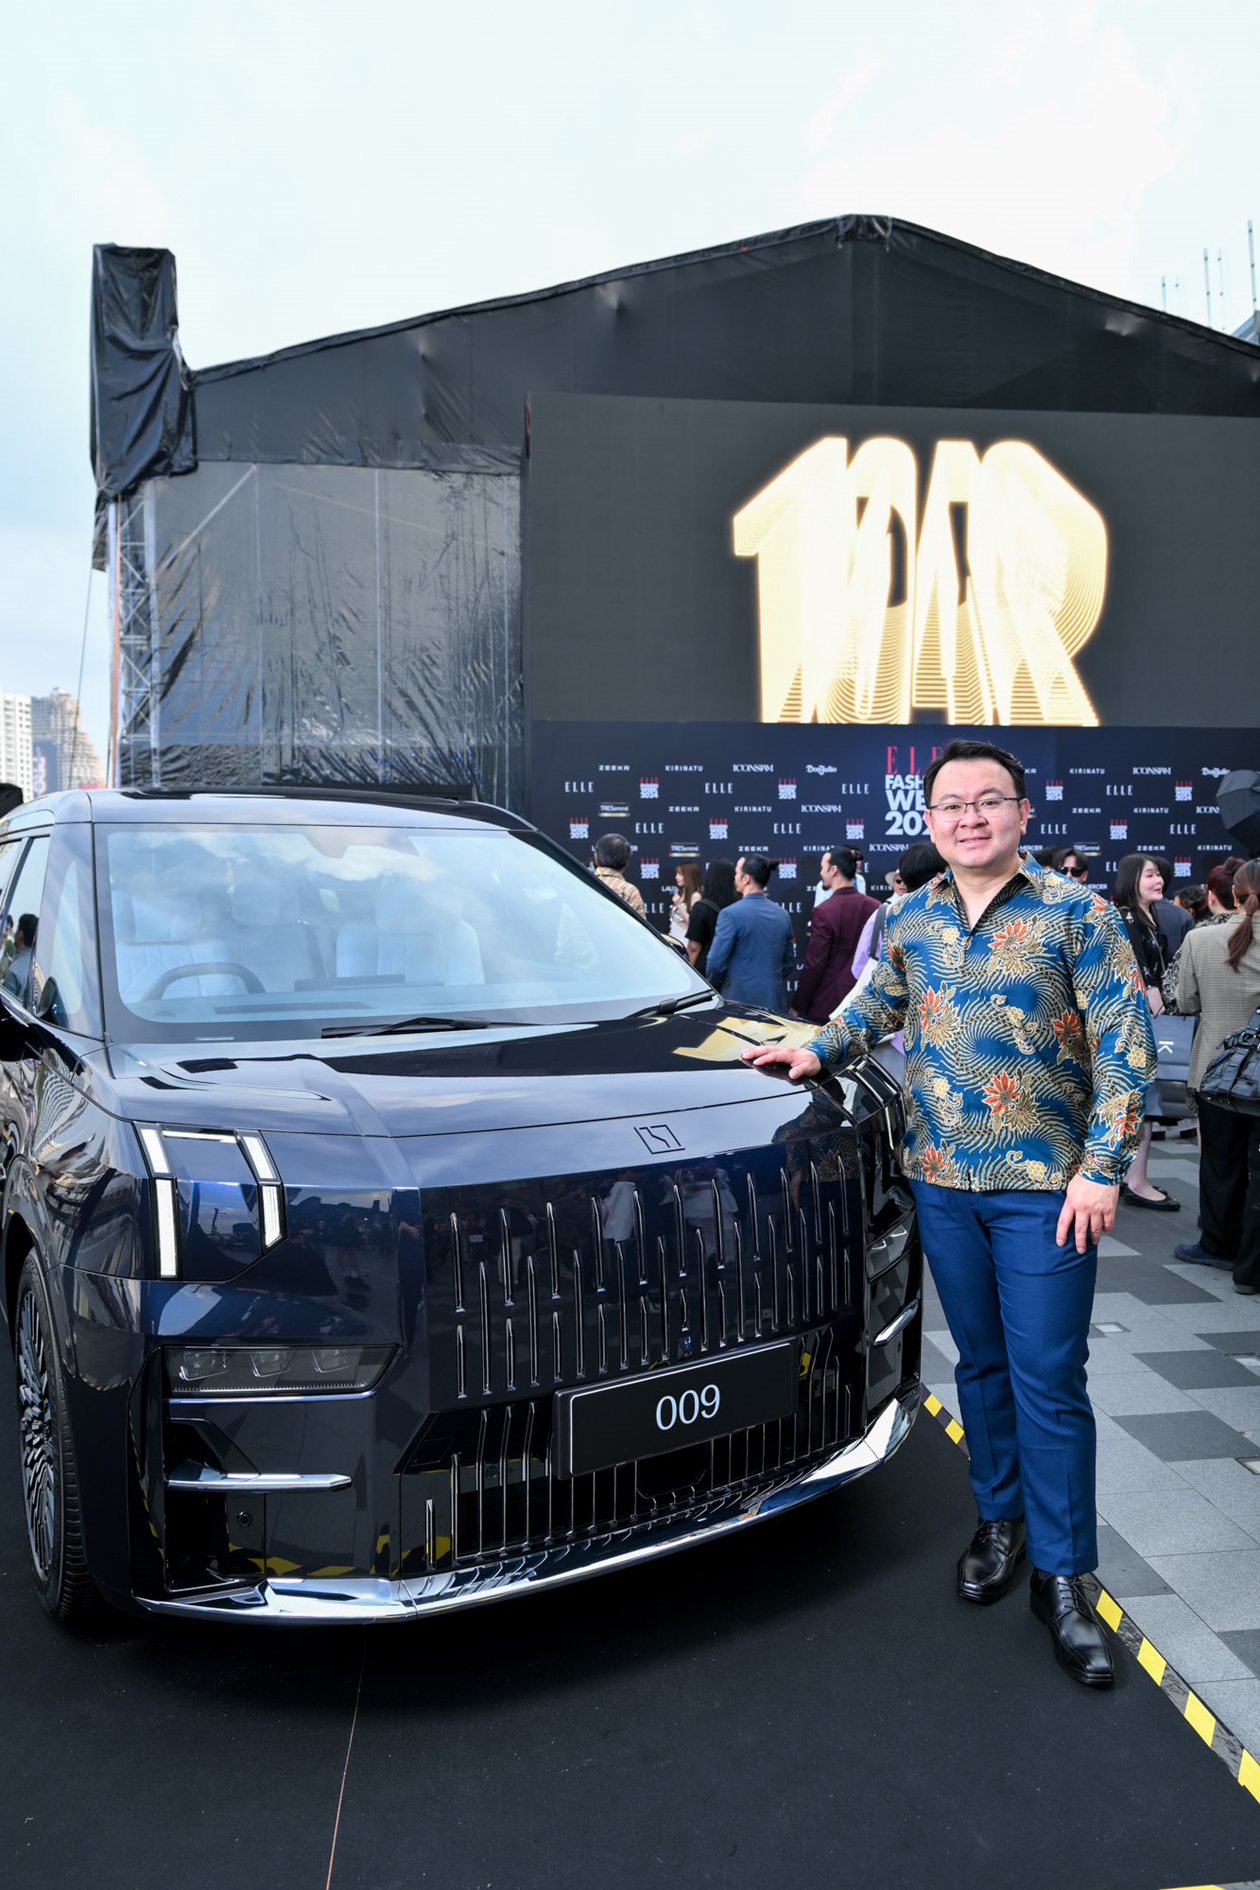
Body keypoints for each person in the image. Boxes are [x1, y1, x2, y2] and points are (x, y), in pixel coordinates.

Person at [741, 737, 1156, 1689]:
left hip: (1048, 1190)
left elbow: (1124, 1049)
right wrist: (817, 1050)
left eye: (988, 801)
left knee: (1050, 1378)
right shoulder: (912, 916)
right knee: (980, 1365)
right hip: (941, 1181)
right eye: (952, 805)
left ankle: (1064, 1575)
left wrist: (1102, 1170)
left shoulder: (1079, 913)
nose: (970, 818)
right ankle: (999, 1524)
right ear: (929, 820)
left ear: (1022, 812)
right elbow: (876, 1005)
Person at [1164, 859, 1260, 1294]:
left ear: (1234, 895)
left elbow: (1183, 1001)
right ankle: (1251, 1260)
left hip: (1217, 1070)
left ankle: (1219, 1244)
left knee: (1221, 1162)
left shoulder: (1201, 938)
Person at [1112, 854, 1177, 1210]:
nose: (1158, 880)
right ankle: (1134, 1181)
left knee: (1144, 1105)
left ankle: (1133, 1178)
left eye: (1159, 874)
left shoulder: (1148, 917)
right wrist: (1159, 1006)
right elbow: (1141, 973)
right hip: (1139, 1022)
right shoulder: (1126, 918)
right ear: (1131, 879)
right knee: (1143, 1103)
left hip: (1146, 1020)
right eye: (1149, 875)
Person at [790, 846, 878, 1024]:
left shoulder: (824, 911)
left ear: (833, 870)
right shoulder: (875, 906)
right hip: (866, 1003)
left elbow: (815, 964)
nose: (821, 873)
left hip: (827, 1004)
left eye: (823, 867)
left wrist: (798, 1005)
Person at [704, 854, 795, 1012]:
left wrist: (715, 988)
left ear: (746, 879)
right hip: (773, 1002)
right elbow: (788, 963)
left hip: (737, 1004)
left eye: (736, 873)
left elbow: (715, 963)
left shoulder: (729, 914)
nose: (734, 877)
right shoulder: (782, 914)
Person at [685, 858, 738, 974]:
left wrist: (689, 973)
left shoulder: (700, 908)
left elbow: (693, 947)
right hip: (734, 970)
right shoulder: (739, 905)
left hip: (706, 971)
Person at [591, 833, 646, 917]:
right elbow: (639, 925)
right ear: (626, 863)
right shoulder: (630, 891)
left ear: (596, 858)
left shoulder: (580, 884)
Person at [668, 861, 702, 944]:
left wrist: (679, 906)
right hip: (674, 941)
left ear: (688, 876)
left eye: (680, 874)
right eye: (677, 874)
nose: (676, 877)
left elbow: (693, 924)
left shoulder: (695, 896)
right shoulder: (679, 895)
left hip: (685, 942)